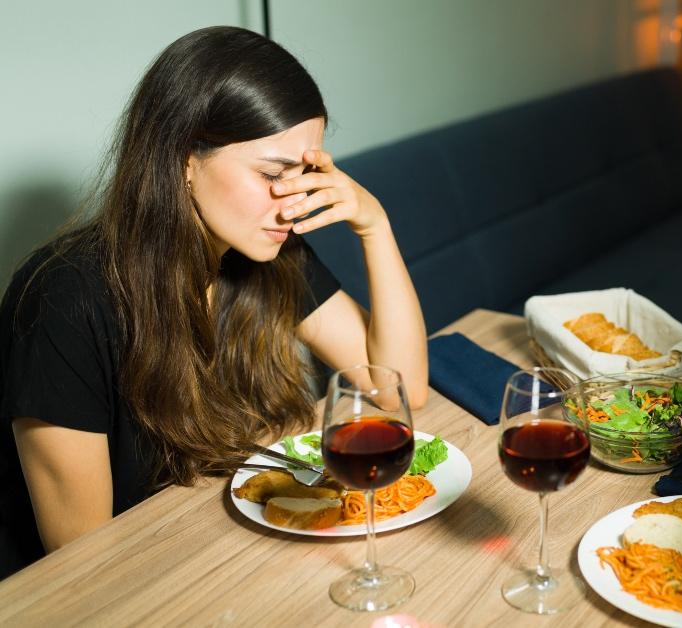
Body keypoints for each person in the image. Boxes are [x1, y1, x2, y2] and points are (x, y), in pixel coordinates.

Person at [0, 26, 428, 578]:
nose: (293, 201)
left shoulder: (264, 247)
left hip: (216, 549)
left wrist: (375, 226)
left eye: (307, 173)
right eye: (273, 174)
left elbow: (396, 387)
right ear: (182, 159)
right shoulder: (62, 298)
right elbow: (80, 555)